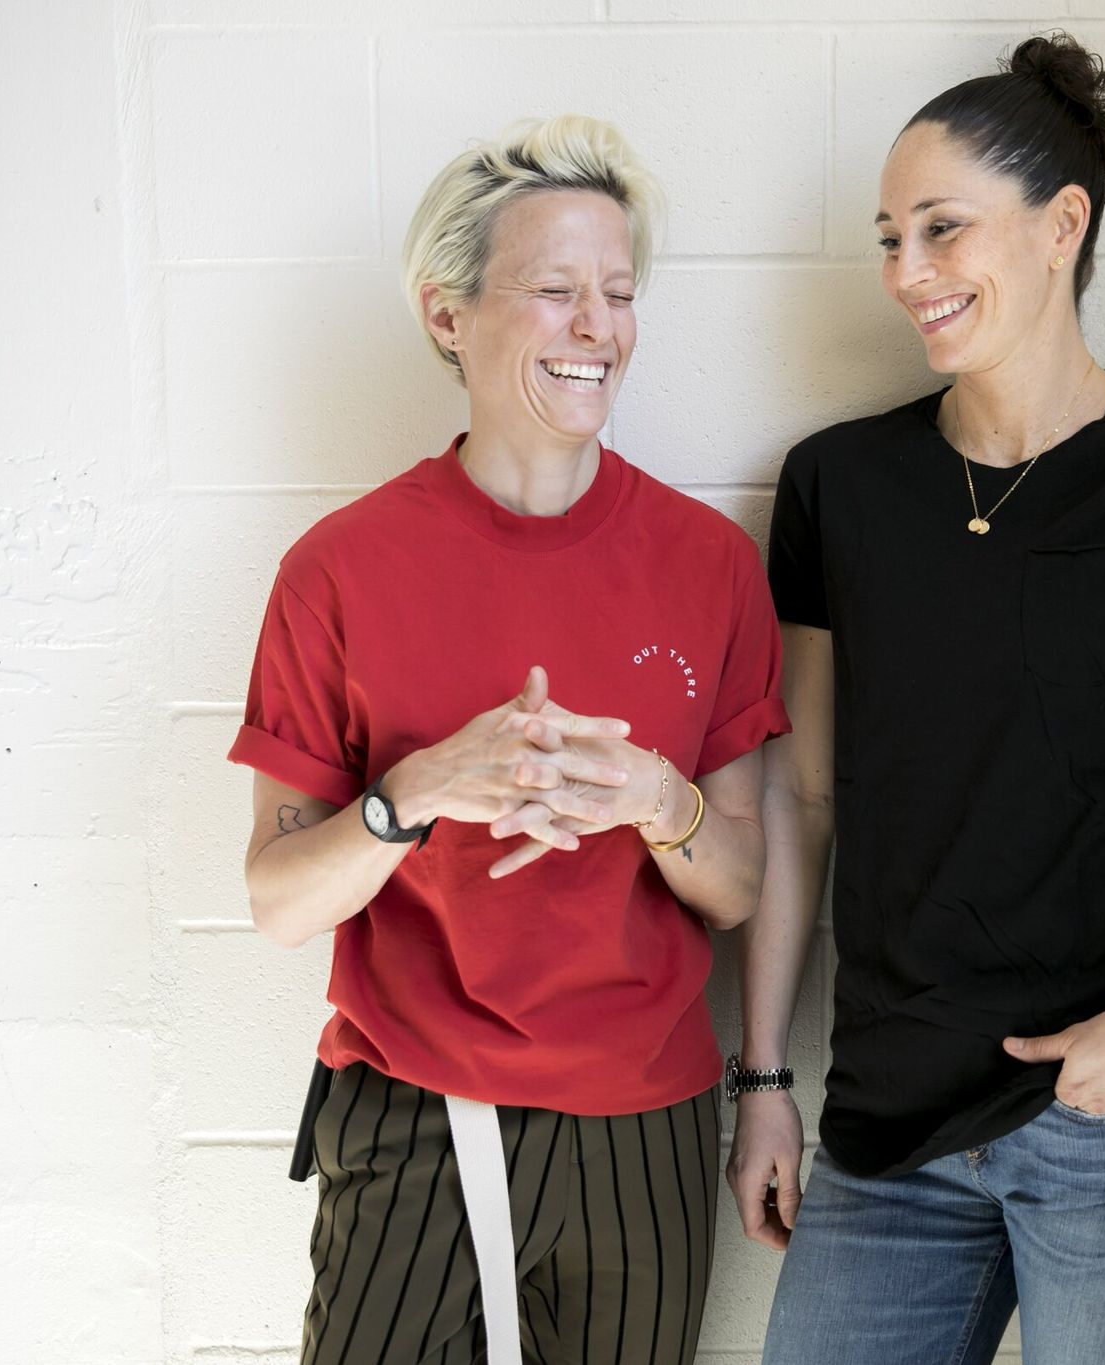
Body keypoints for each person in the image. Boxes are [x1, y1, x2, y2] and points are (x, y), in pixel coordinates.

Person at [727, 33, 1105, 1365]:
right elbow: (804, 791)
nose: (908, 273)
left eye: (944, 230)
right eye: (891, 238)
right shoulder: (841, 484)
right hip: (885, 1130)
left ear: (1063, 225)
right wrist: (767, 1080)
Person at [229, 114, 789, 1365]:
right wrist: (415, 789)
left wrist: (655, 798)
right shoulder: (337, 571)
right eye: (554, 291)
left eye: (619, 293)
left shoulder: (709, 565)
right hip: (409, 1114)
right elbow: (276, 900)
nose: (598, 327)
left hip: (641, 1124)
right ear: (447, 316)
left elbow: (740, 882)